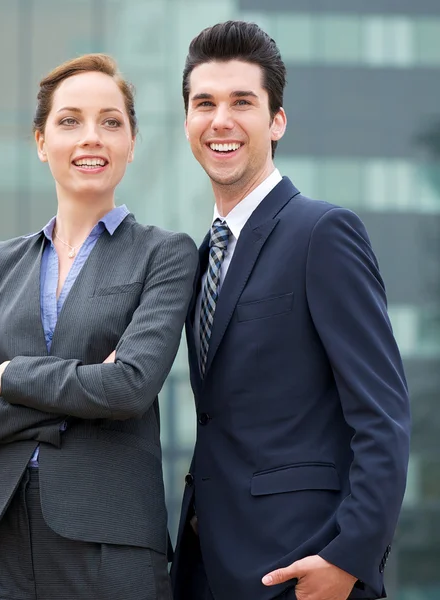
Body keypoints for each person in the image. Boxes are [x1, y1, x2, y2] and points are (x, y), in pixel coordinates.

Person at [0, 53, 197, 600]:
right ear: (41, 141)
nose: (92, 138)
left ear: (131, 142)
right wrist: (78, 397)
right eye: (70, 120)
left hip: (110, 537)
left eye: (111, 122)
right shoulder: (0, 263)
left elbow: (128, 387)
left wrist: (10, 375)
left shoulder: (164, 255)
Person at [170, 21, 411, 600]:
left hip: (303, 570)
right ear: (187, 123)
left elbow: (383, 416)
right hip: (212, 571)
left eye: (242, 102)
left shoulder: (322, 233)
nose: (220, 120)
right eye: (204, 103)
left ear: (276, 120)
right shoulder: (201, 258)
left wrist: (349, 558)